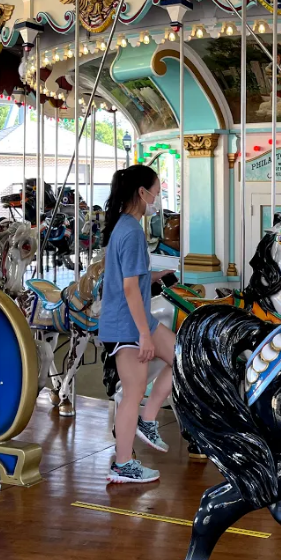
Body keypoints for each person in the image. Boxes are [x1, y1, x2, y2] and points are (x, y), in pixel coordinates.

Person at [100, 164, 177, 484]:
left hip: (137, 320)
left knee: (181, 359)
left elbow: (131, 278)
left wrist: (155, 276)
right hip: (128, 324)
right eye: (156, 193)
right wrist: (144, 335)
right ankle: (122, 464)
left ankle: (148, 420)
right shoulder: (131, 231)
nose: (157, 201)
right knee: (132, 392)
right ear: (142, 193)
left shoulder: (126, 226)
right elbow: (129, 288)